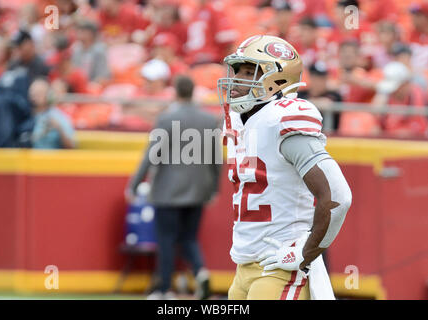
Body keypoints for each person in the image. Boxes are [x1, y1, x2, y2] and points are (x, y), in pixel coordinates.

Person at [217, 35, 352, 300]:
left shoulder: (282, 118)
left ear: (276, 80)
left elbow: (338, 197)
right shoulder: (241, 121)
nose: (235, 80)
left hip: (279, 267)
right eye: (236, 71)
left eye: (248, 72)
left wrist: (305, 252)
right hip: (244, 268)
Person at [127, 75, 221, 300]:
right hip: (199, 190)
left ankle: (164, 289)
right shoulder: (209, 120)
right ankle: (201, 272)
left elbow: (151, 154)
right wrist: (214, 189)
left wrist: (134, 184)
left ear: (176, 92)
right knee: (189, 238)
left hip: (167, 191)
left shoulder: (166, 118)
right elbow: (216, 159)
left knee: (167, 240)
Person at [372, 61, 427, 138]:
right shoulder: (384, 98)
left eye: (397, 87)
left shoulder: (422, 96)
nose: (393, 91)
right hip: (392, 144)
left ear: (406, 83)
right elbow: (376, 127)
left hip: (419, 143)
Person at [29, 78, 76, 149]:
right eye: (33, 93)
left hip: (50, 159)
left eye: (39, 93)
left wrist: (59, 128)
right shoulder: (25, 115)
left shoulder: (57, 116)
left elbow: (71, 146)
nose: (35, 97)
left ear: (49, 95)